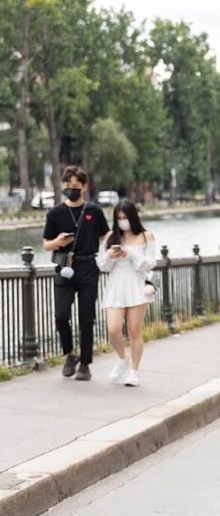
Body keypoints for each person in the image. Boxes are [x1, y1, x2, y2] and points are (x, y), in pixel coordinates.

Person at [42, 166, 110, 381]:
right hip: (64, 268)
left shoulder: (94, 212)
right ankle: (69, 354)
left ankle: (85, 364)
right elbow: (46, 245)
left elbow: (106, 236)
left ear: (84, 187)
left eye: (76, 186)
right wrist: (58, 242)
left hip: (89, 267)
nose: (71, 190)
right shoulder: (55, 214)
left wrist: (118, 246)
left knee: (86, 318)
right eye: (68, 186)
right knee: (61, 316)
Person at [96, 200, 157, 387]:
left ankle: (135, 371)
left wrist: (130, 254)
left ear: (133, 217)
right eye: (119, 218)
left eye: (125, 217)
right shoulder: (110, 237)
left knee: (134, 331)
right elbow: (101, 265)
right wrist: (109, 256)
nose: (123, 221)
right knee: (113, 329)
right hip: (116, 284)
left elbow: (149, 263)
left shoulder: (146, 236)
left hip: (136, 285)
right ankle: (123, 359)